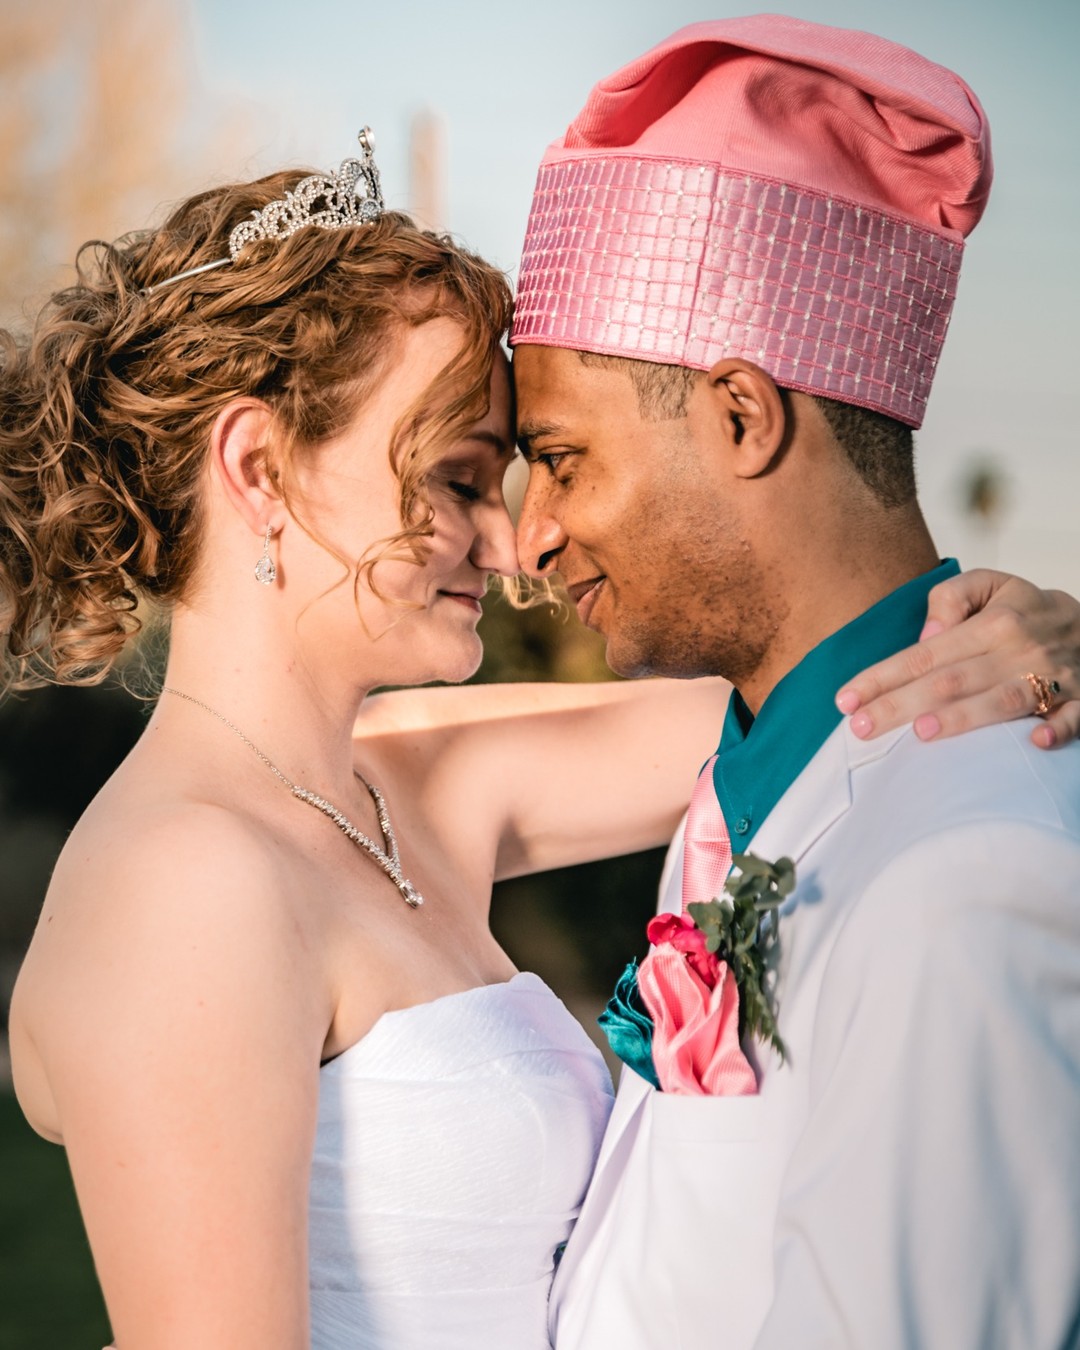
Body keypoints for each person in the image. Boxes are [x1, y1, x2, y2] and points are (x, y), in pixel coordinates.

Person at [0, 121, 1075, 1350]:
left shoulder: (409, 789)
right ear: (259, 467)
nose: (512, 547)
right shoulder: (180, 883)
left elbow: (833, 690)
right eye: (458, 482)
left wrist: (1022, 623)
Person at [504, 17, 1080, 1350]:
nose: (529, 534)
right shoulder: (760, 779)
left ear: (744, 417)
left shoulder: (964, 869)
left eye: (563, 457)